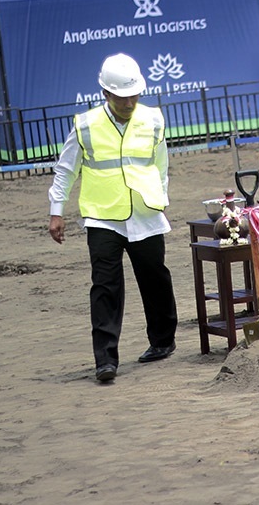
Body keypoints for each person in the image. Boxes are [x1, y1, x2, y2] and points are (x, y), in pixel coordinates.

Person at [48, 53, 179, 382]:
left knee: (155, 278)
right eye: (122, 97)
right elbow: (66, 170)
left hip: (145, 213)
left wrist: (161, 196)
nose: (130, 102)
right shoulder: (86, 125)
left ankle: (163, 341)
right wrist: (56, 211)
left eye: (134, 95)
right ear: (105, 93)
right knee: (105, 286)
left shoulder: (153, 119)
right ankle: (105, 359)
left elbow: (159, 163)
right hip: (102, 217)